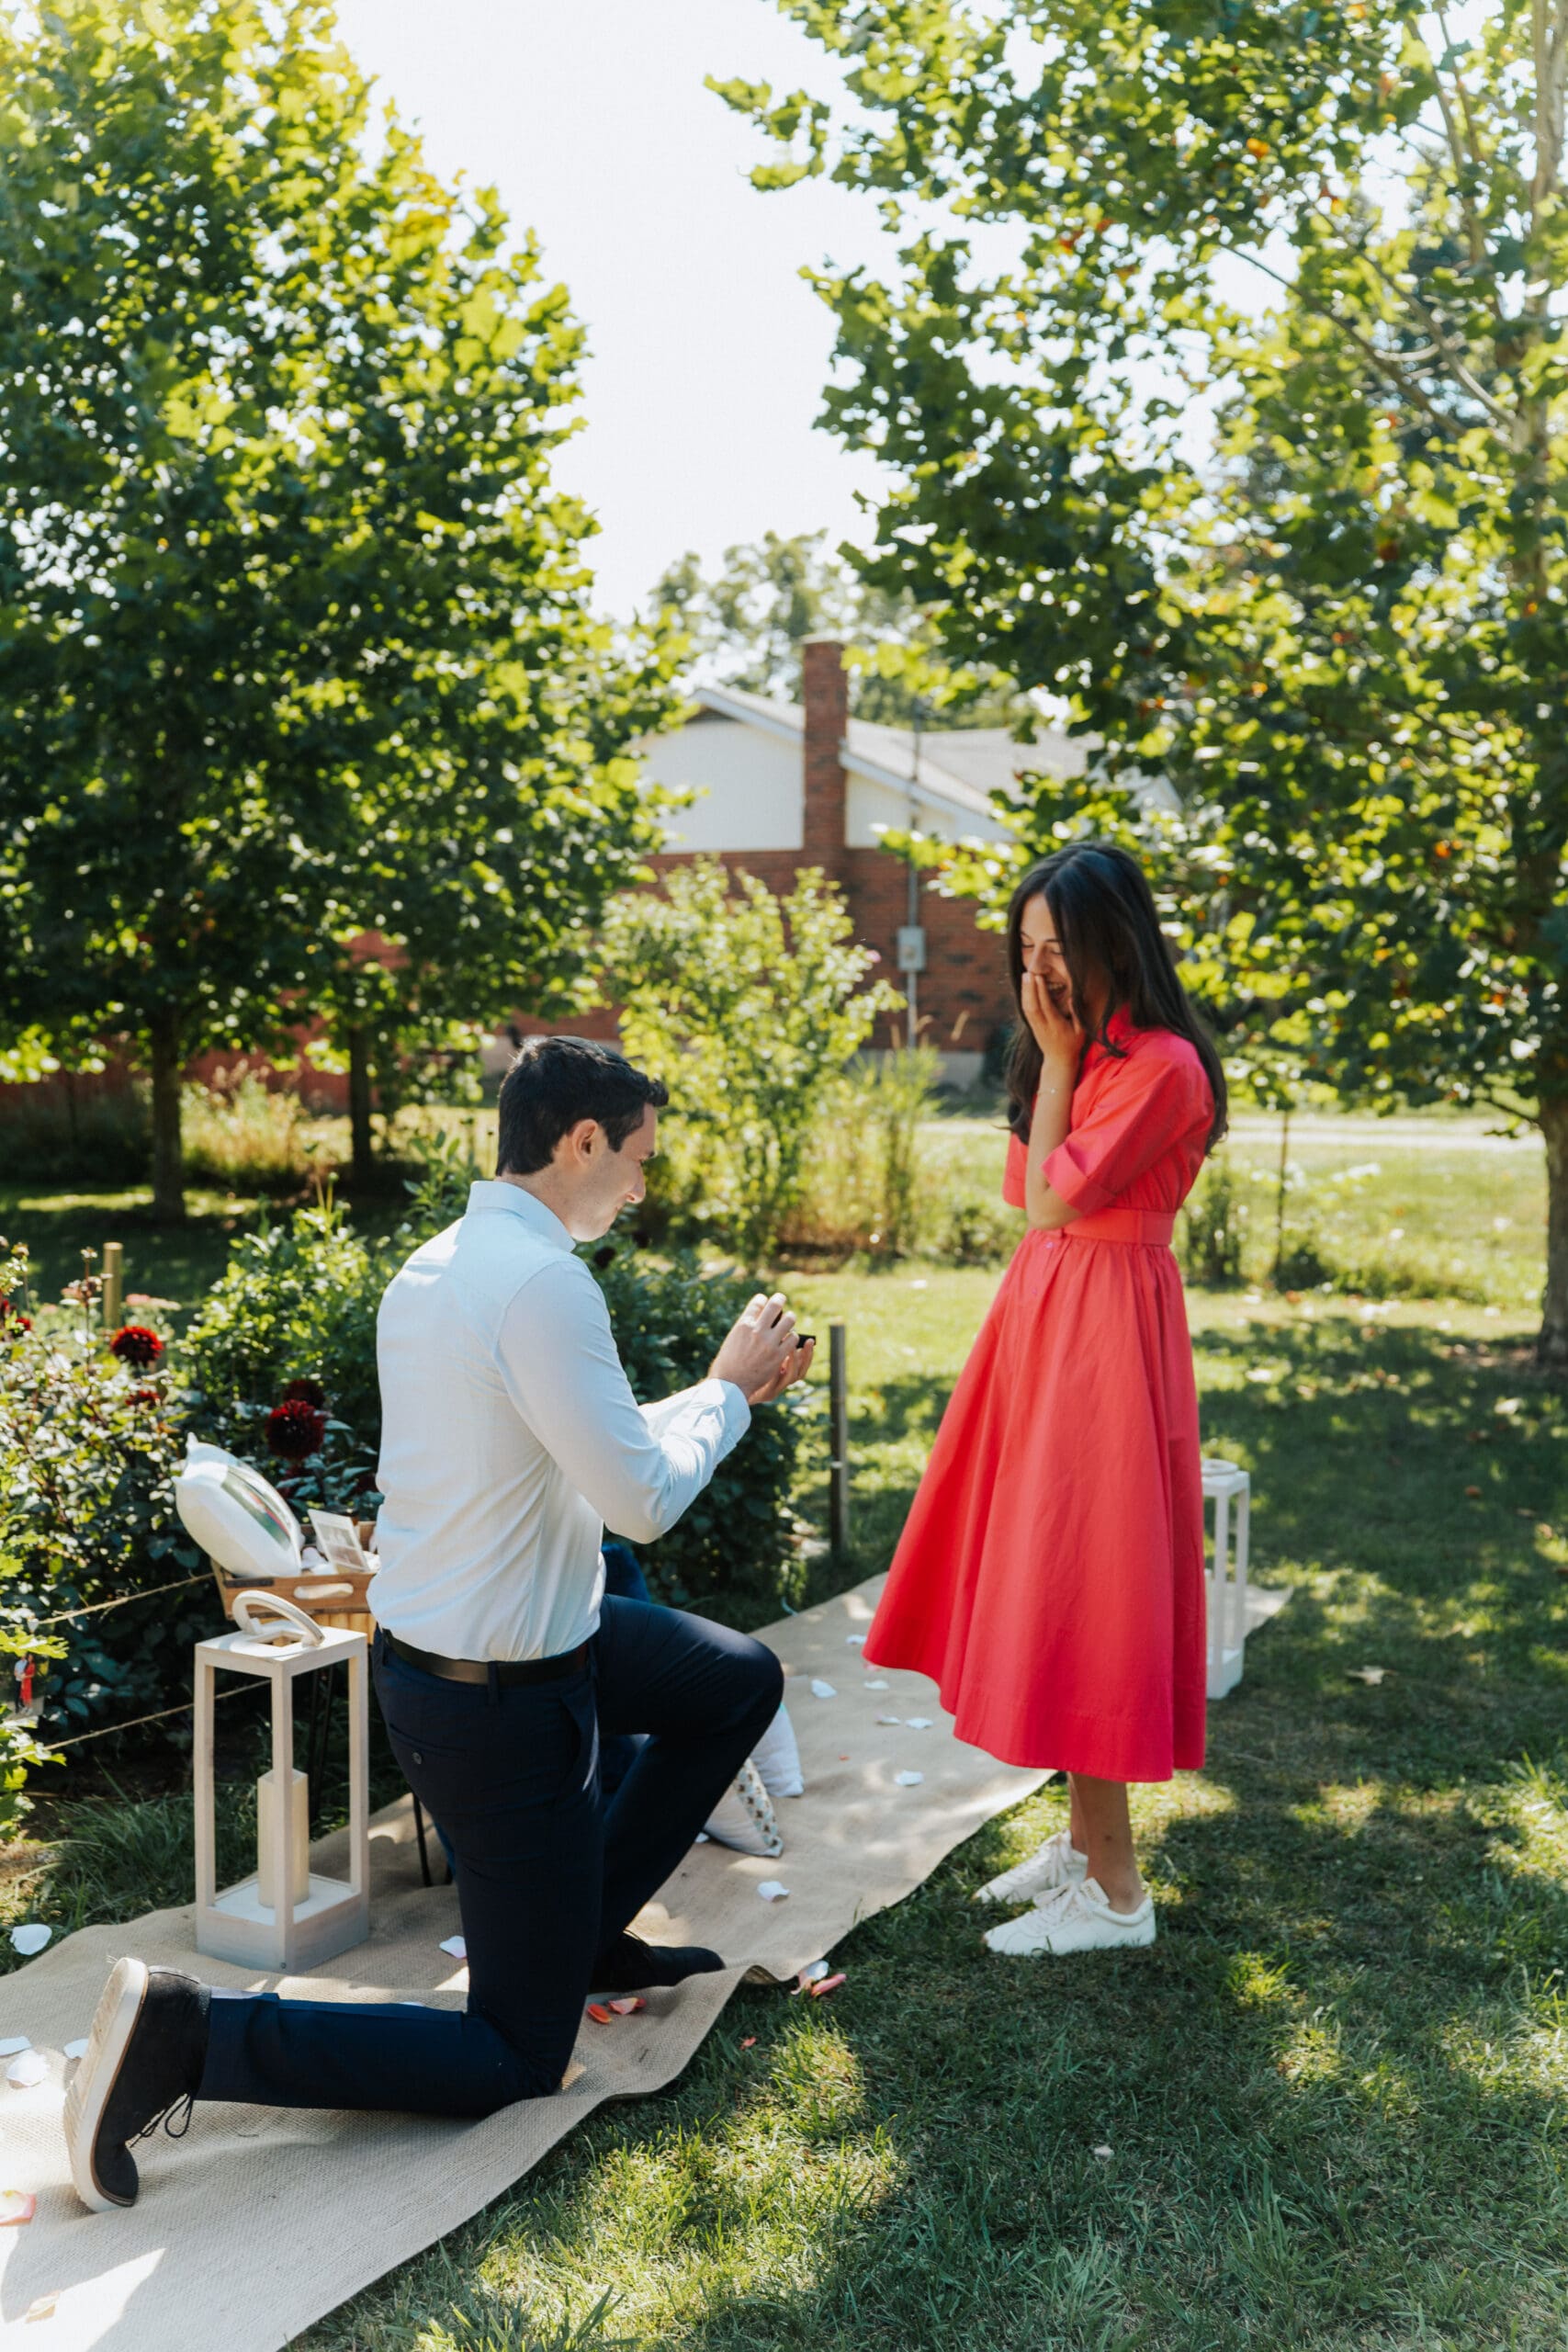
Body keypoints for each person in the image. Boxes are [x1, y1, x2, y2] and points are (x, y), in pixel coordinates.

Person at [64, 1036, 813, 2211]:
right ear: (580, 1143)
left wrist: (723, 1398)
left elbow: (574, 1444)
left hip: (489, 1652)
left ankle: (585, 1927)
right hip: (501, 1700)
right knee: (516, 2051)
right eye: (636, 1160)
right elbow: (643, 1500)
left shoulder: (444, 1262)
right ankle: (192, 2034)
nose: (641, 1186)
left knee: (730, 1680)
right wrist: (725, 1389)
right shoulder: (545, 1281)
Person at [863, 842, 1226, 1957]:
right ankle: (1081, 1846)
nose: (1040, 972)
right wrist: (1058, 1060)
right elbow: (1029, 1189)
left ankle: (1119, 1894)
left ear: (1116, 938)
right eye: (1024, 951)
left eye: (1056, 948)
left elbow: (1055, 1201)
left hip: (1107, 1329)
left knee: (1093, 1585)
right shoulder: (1078, 1054)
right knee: (1049, 1570)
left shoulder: (1161, 1065)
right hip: (1048, 1319)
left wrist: (1058, 1060)